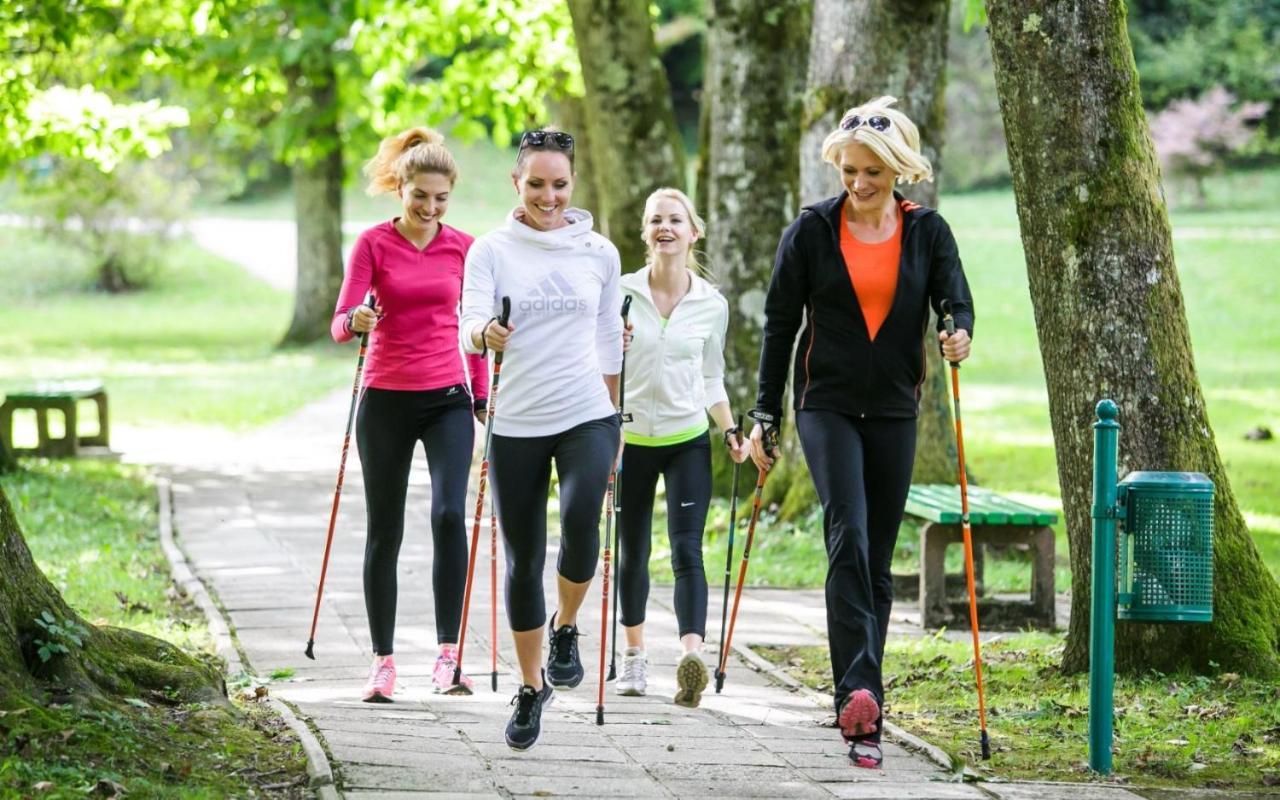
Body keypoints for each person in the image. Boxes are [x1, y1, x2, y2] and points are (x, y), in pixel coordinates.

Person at [747, 96, 974, 769]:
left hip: (896, 407)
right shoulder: (812, 231)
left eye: (871, 171)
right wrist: (766, 413)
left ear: (898, 170)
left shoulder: (928, 232)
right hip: (827, 404)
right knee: (846, 530)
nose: (857, 183)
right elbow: (780, 325)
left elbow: (954, 299)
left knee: (875, 554)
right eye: (848, 170)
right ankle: (860, 696)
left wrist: (958, 331)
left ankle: (863, 686)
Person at [459, 128, 623, 751]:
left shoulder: (599, 252)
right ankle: (532, 688)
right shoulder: (491, 249)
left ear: (573, 183)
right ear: (516, 183)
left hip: (587, 413)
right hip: (517, 421)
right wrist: (483, 334)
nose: (548, 196)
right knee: (523, 558)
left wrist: (616, 416)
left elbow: (609, 338)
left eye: (559, 184)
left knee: (583, 520)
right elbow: (466, 319)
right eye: (536, 184)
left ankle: (568, 626)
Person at [331, 127, 490, 702]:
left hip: (447, 397)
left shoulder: (466, 248)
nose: (429, 208)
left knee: (450, 515)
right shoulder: (373, 244)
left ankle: (449, 658)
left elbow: (472, 331)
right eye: (419, 196)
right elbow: (340, 319)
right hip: (385, 400)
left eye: (440, 198)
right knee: (385, 529)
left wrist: (480, 395)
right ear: (400, 187)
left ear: (451, 195)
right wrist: (357, 323)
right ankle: (383, 661)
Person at [613, 188, 750, 708]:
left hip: (687, 438)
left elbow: (711, 376)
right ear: (645, 232)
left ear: (694, 232)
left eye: (675, 220)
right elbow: (598, 361)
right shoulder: (621, 292)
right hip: (629, 441)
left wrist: (730, 429)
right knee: (635, 553)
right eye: (655, 221)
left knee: (687, 550)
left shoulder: (711, 305)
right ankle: (633, 658)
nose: (665, 228)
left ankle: (692, 655)